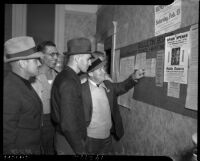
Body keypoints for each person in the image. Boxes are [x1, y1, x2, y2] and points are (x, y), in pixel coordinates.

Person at [81, 58, 145, 155]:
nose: (104, 72)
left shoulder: (107, 85)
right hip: (90, 139)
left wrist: (133, 77)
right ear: (90, 74)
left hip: (107, 137)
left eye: (103, 69)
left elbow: (122, 87)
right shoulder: (81, 89)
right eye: (100, 70)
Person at [51, 37, 92, 155]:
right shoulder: (69, 81)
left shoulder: (67, 75)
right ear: (78, 58)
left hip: (68, 138)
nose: (90, 63)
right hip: (69, 142)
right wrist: (80, 149)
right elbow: (68, 124)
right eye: (88, 59)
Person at [3, 36, 43, 155]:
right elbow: (7, 137)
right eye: (35, 60)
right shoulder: (10, 89)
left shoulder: (23, 82)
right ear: (22, 63)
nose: (40, 63)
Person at [31, 41, 59, 154]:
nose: (56, 57)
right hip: (40, 122)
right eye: (52, 54)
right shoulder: (33, 77)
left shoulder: (59, 75)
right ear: (41, 56)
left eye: (57, 54)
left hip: (57, 120)